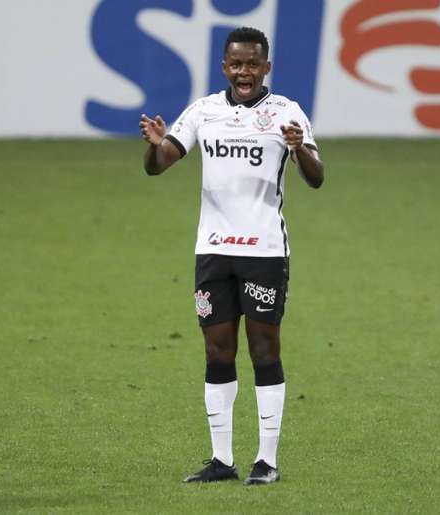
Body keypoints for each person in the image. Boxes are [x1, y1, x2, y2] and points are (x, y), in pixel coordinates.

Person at [139, 27, 324, 485]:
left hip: (263, 250)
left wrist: (299, 148)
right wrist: (154, 145)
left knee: (264, 351)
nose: (244, 71)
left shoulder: (287, 113)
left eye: (252, 63)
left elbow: (317, 178)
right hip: (213, 252)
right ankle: (222, 460)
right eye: (236, 63)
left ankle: (267, 461)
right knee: (217, 351)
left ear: (267, 68)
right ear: (224, 67)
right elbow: (160, 164)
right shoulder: (204, 111)